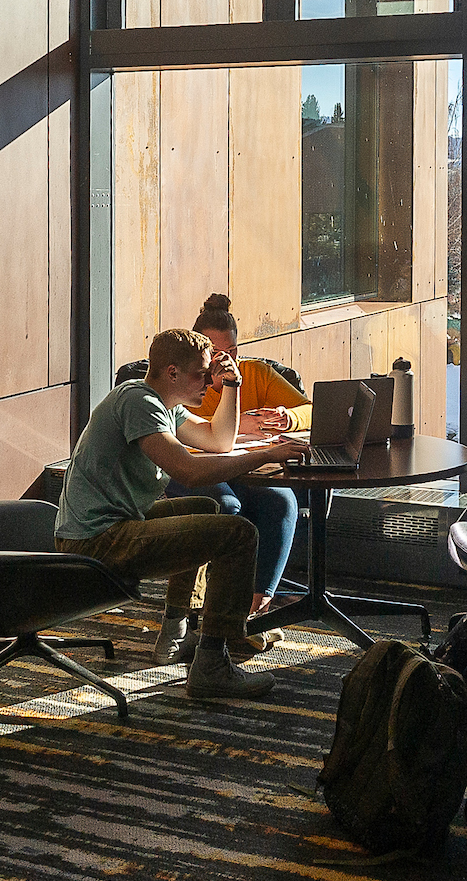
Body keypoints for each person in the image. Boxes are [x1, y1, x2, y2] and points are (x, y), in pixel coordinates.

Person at [54, 328, 306, 700]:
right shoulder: (139, 403)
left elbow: (219, 441)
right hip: (95, 541)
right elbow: (189, 471)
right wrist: (266, 455)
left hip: (113, 525)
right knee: (239, 533)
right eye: (202, 374)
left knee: (210, 507)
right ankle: (212, 665)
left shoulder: (164, 405)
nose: (210, 381)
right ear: (172, 373)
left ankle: (177, 628)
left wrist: (233, 383)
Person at [184, 294, 307, 628]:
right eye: (217, 353)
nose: (226, 361)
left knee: (282, 501)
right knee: (226, 505)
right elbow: (187, 433)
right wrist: (236, 429)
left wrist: (286, 418)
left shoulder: (255, 374)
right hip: (196, 467)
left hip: (242, 467)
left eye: (233, 352)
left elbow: (312, 409)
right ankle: (212, 606)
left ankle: (253, 608)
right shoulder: (188, 381)